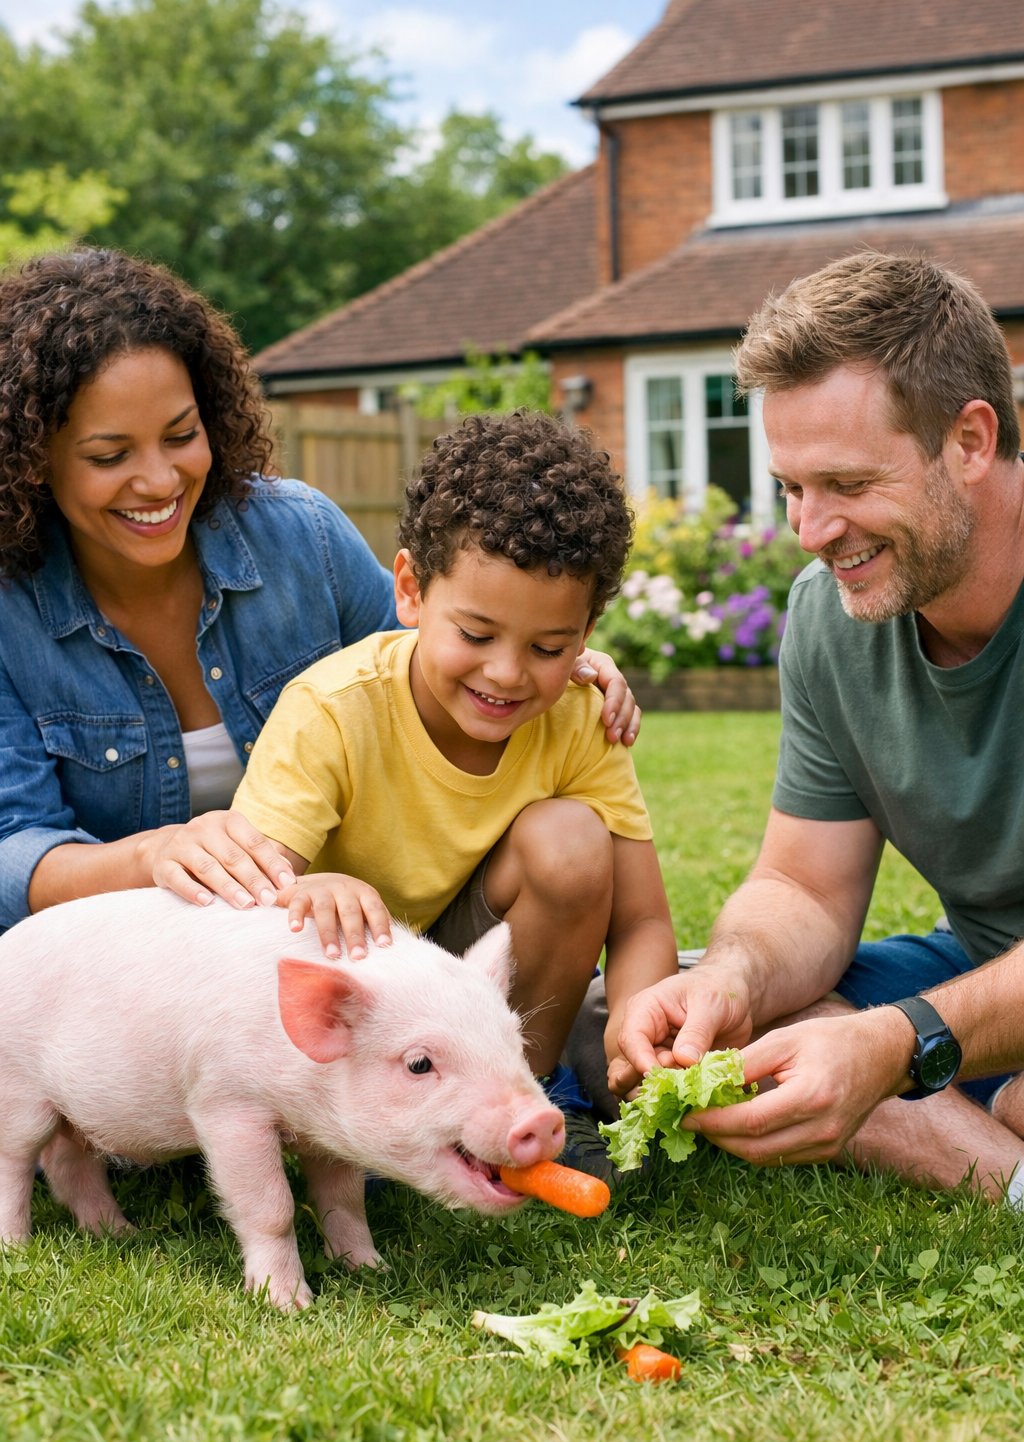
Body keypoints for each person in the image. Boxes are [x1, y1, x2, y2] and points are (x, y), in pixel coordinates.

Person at [0, 247, 639, 933]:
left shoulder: (300, 537)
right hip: (134, 964)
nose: (159, 481)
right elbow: (14, 854)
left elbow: (430, 681)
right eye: (110, 456)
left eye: (181, 435)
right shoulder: (14, 614)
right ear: (32, 457)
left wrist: (553, 662)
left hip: (344, 939)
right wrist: (154, 854)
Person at [610, 251, 1024, 1207]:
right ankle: (1005, 1171)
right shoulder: (832, 615)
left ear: (968, 440)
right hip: (982, 974)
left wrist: (898, 1040)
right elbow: (803, 883)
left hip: (961, 1005)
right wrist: (737, 976)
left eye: (844, 482)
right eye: (792, 487)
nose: (809, 528)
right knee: (732, 1030)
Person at [232, 410, 679, 1177]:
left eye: (547, 647)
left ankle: (523, 1104)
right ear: (409, 589)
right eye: (475, 634)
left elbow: (640, 922)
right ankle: (372, 1126)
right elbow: (238, 916)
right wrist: (309, 885)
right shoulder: (333, 710)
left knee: (570, 841)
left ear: (586, 632)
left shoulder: (579, 717)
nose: (506, 673)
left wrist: (640, 1036)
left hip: (480, 966)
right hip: (365, 983)